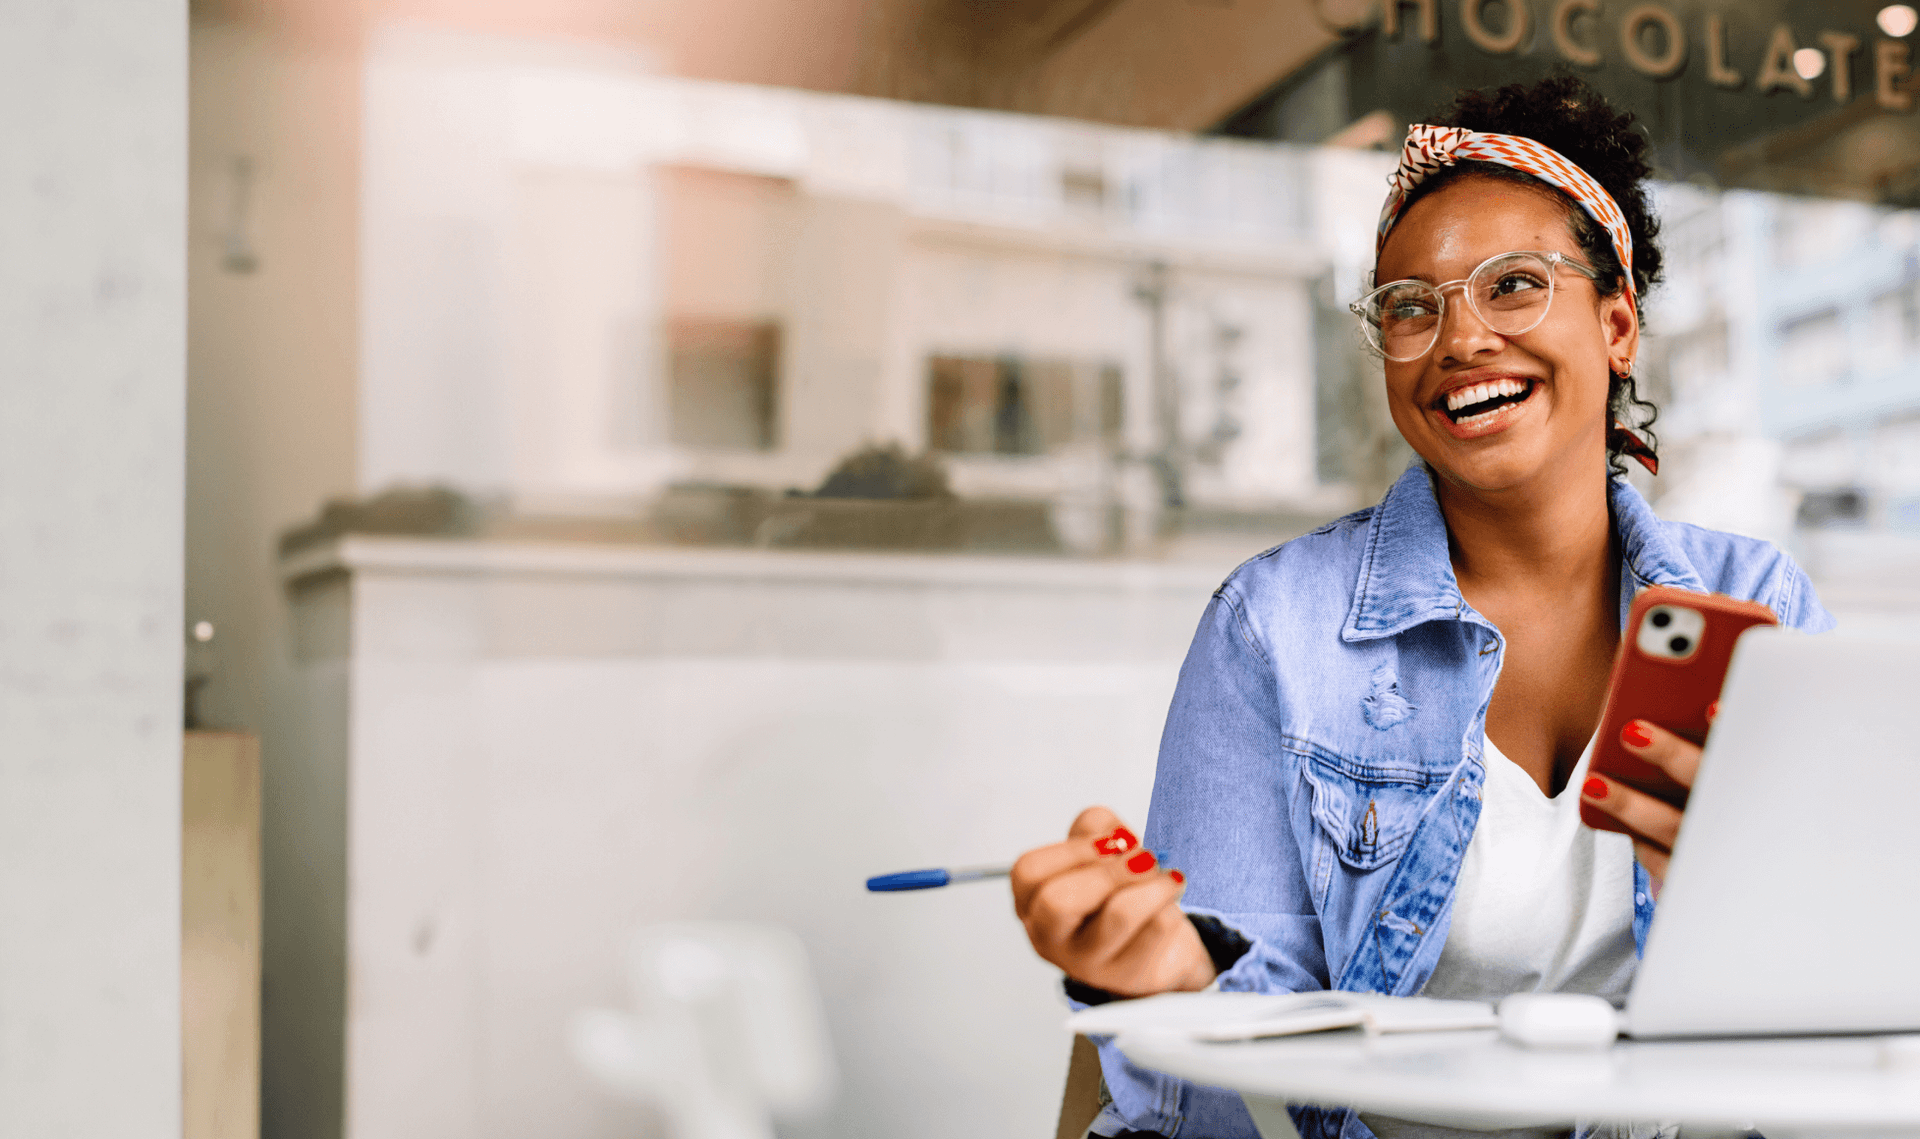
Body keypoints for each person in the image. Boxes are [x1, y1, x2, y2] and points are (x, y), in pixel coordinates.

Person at [1010, 76, 1834, 1139]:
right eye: (1411, 305)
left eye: (1515, 286)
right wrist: (1173, 981)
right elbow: (1226, 1064)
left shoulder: (1754, 608)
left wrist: (1733, 900)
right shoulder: (1276, 625)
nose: (1460, 338)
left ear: (1619, 322)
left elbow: (1830, 1022)